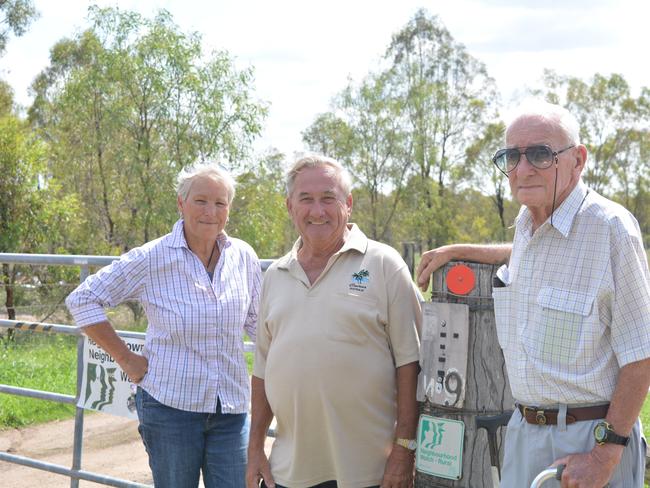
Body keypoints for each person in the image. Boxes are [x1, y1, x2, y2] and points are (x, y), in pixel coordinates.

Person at [416, 101, 650, 488]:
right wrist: (458, 251)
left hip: (588, 438)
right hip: (523, 432)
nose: (523, 169)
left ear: (578, 160)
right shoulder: (528, 226)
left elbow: (641, 355)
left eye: (540, 154)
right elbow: (529, 262)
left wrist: (605, 453)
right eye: (512, 156)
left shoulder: (610, 229)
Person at [66, 162, 262, 488]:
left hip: (231, 408)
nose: (210, 211)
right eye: (200, 201)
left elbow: (257, 322)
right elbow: (82, 299)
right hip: (171, 408)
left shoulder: (243, 256)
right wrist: (127, 359)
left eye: (220, 203)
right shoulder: (153, 257)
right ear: (181, 203)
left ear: (229, 209)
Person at [246, 155, 421, 488]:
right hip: (289, 472)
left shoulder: (384, 264)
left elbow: (410, 364)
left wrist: (404, 450)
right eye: (306, 200)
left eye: (329, 198)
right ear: (289, 207)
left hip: (370, 473)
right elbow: (262, 372)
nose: (318, 211)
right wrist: (255, 448)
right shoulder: (275, 276)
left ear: (349, 204)